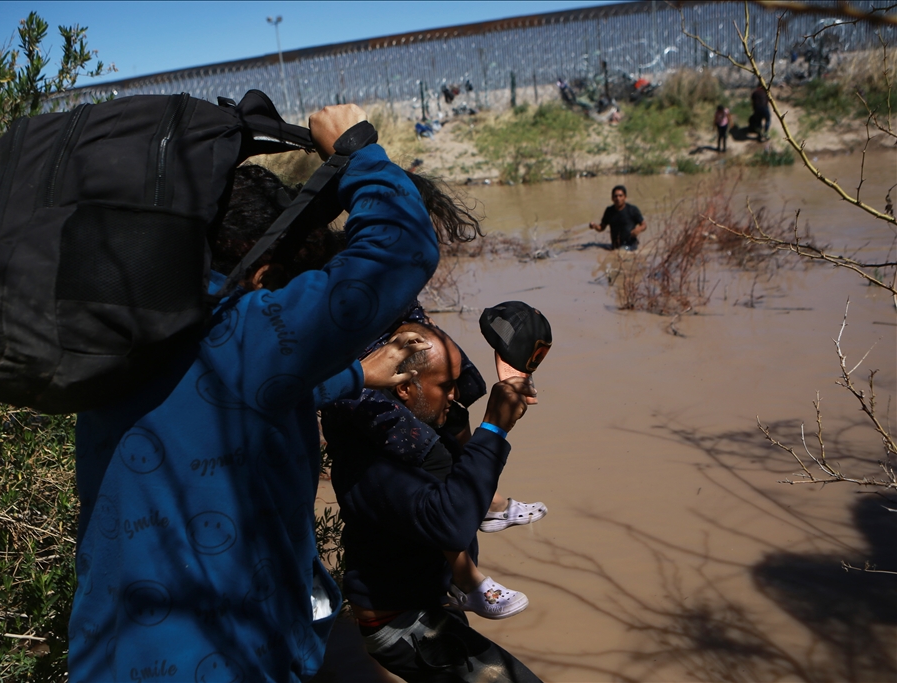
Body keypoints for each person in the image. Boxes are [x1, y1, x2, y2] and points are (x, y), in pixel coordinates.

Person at [67, 104, 446, 682]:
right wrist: (359, 148)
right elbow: (401, 248)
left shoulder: (126, 332)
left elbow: (205, 401)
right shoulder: (242, 331)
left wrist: (352, 377)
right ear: (263, 271)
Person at [322, 323, 543, 682]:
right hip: (401, 623)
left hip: (433, 601)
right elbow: (452, 523)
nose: (455, 395)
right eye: (445, 385)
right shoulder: (375, 462)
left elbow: (464, 488)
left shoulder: (415, 425)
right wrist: (493, 430)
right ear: (405, 387)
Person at [589, 185, 647, 251]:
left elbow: (644, 225)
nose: (618, 198)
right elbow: (601, 227)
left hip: (630, 245)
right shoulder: (609, 211)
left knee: (621, 252)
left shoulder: (632, 210)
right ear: (612, 198)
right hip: (615, 246)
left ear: (625, 197)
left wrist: (638, 229)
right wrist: (595, 226)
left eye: (620, 196)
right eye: (615, 196)